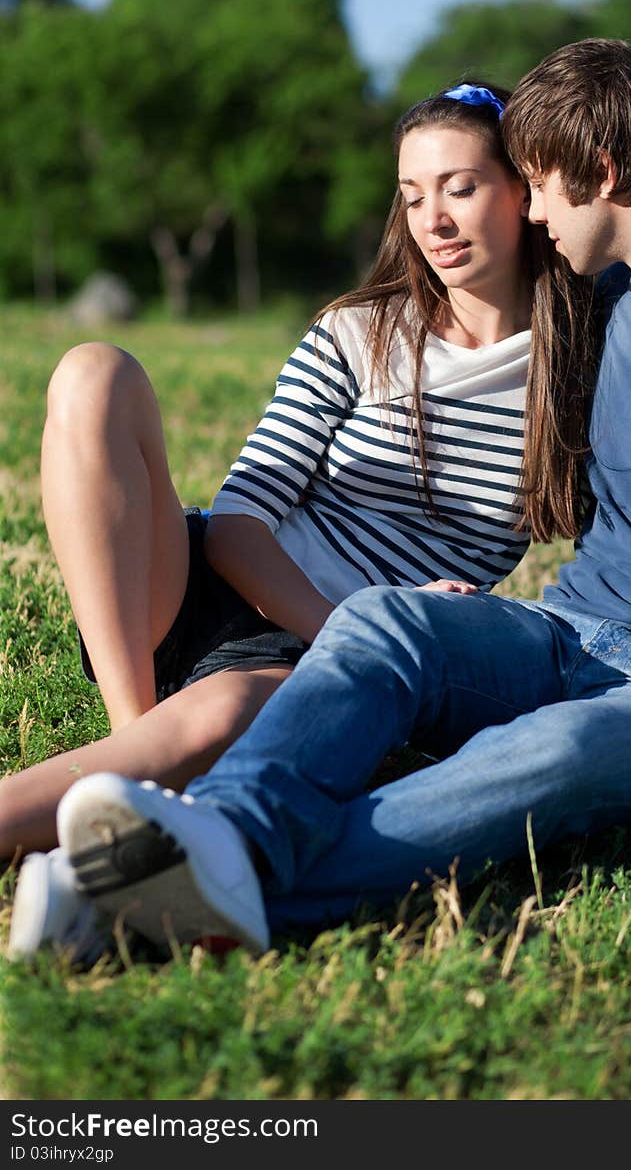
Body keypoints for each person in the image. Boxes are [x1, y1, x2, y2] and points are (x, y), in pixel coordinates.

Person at [21, 36, 631, 960]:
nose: (534, 210)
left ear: (603, 171)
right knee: (392, 624)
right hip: (567, 632)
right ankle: (223, 833)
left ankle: (179, 887)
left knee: (553, 755)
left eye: (536, 184)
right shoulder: (619, 301)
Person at [4, 80, 596, 960]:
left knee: (207, 726)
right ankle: (134, 751)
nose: (434, 218)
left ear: (527, 189)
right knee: (93, 371)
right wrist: (350, 626)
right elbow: (241, 522)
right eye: (412, 194)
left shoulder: (577, 369)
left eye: (461, 187)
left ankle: (130, 804)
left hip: (315, 667)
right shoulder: (361, 331)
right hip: (221, 594)